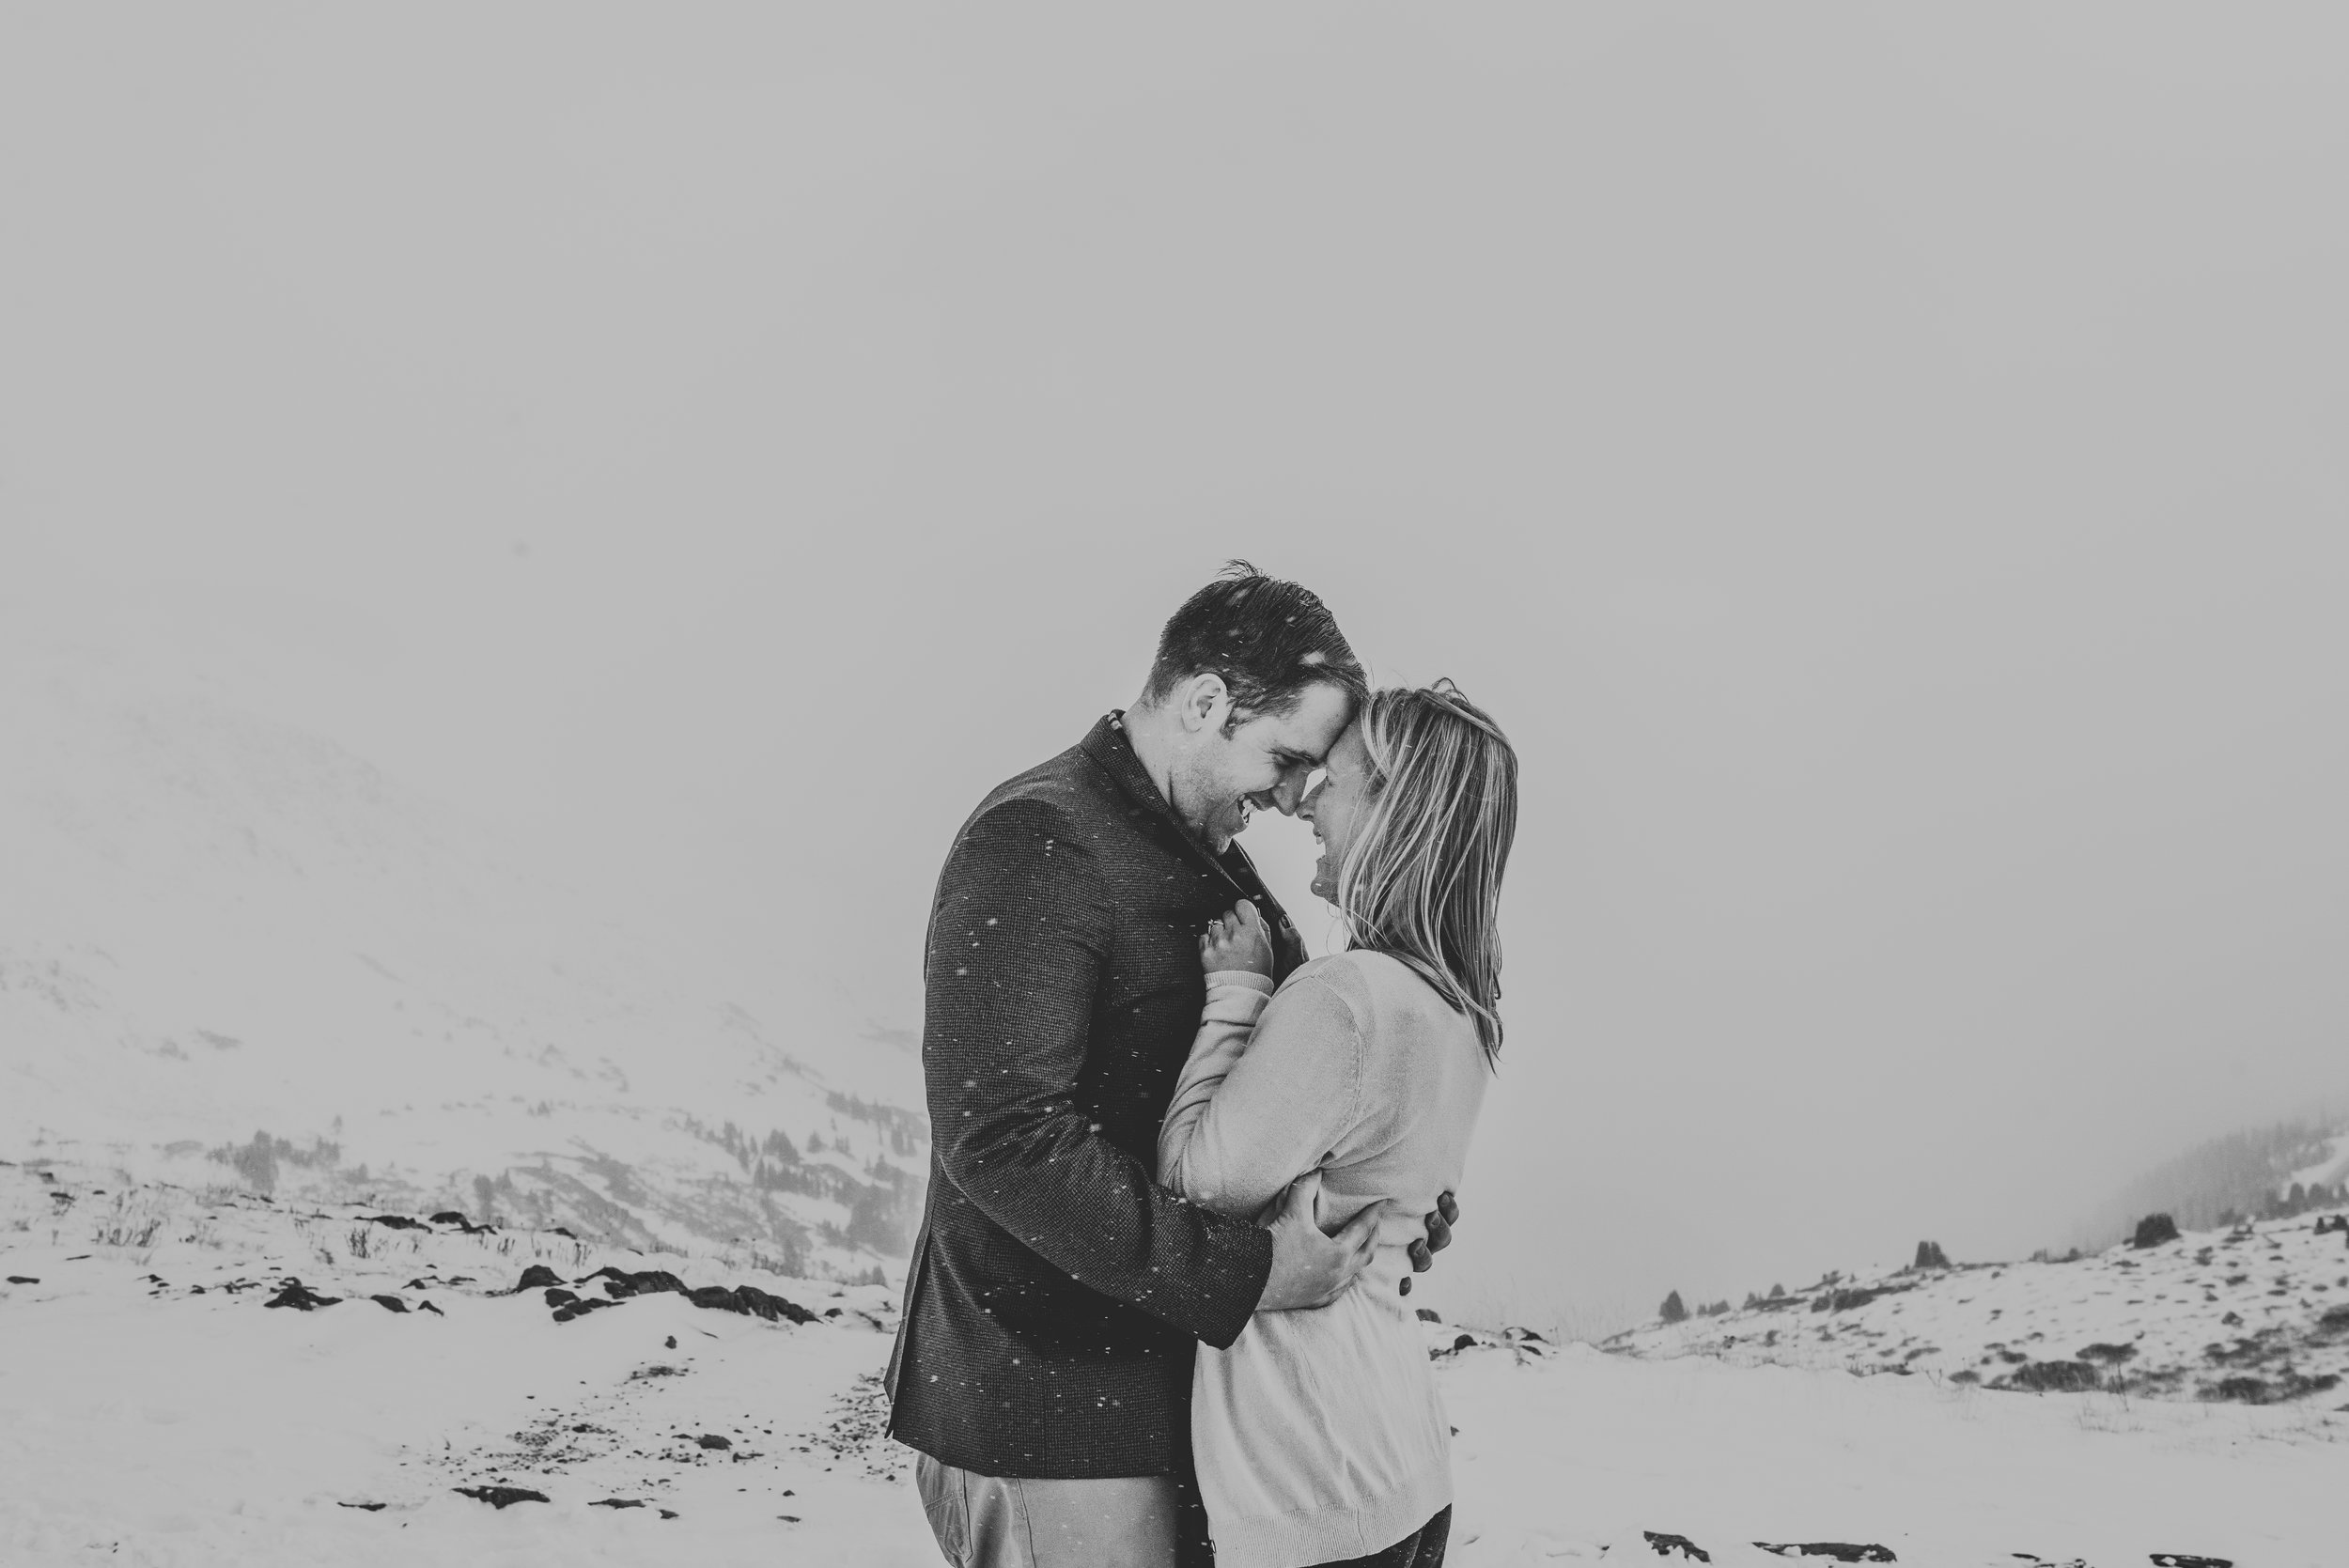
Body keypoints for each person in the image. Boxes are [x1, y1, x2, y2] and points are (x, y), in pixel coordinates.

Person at [888, 563, 1460, 1568]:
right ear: (1204, 703)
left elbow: (1277, 1094)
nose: (1294, 798)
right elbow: (1003, 1137)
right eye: (1286, 759)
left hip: (1162, 1397)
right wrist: (1250, 1272)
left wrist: (1378, 1201)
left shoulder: (1209, 858)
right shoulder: (1040, 837)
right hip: (1046, 1400)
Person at [1159, 680, 1517, 1568]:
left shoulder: (1345, 999)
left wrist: (1237, 997)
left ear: (1400, 814)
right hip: (1400, 1462)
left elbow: (1191, 1183)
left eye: (1339, 776)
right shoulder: (1464, 1016)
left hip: (1309, 1485)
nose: (1309, 797)